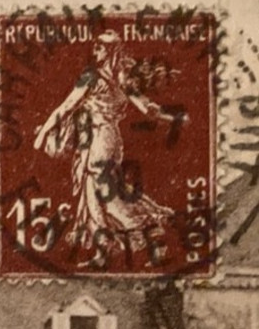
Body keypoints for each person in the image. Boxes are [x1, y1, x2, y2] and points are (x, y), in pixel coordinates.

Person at [33, 30, 179, 256]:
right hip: (111, 138)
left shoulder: (92, 77)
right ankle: (106, 246)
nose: (95, 51)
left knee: (102, 190)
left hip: (100, 137)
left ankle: (142, 227)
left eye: (99, 47)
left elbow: (67, 106)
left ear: (110, 51)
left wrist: (43, 133)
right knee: (98, 188)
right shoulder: (123, 79)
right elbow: (147, 108)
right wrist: (172, 118)